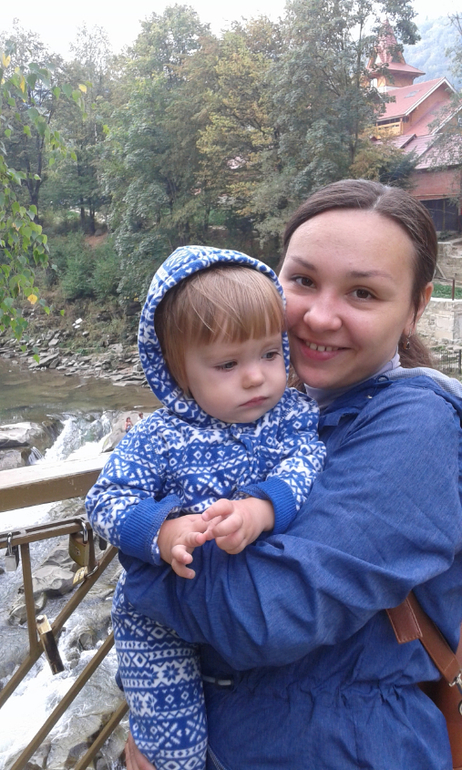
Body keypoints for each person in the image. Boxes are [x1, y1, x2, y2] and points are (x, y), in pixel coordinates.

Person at [119, 179, 462, 770]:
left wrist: (140, 564)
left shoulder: (417, 425)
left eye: (362, 292)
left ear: (416, 307)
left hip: (343, 747)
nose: (319, 316)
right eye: (302, 281)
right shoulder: (281, 411)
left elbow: (264, 615)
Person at [85, 246, 325, 770]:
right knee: (175, 752)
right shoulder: (157, 436)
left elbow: (307, 462)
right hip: (157, 622)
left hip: (243, 612)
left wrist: (262, 509)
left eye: (269, 353)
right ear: (179, 372)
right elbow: (104, 499)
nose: (256, 377)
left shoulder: (291, 416)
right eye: (227, 364)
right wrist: (162, 532)